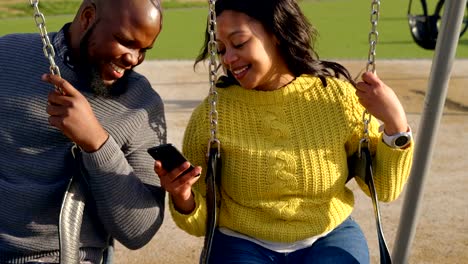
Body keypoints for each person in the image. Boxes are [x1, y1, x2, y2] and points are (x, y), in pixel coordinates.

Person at [155, 0, 414, 263]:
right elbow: (199, 225)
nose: (228, 59)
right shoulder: (213, 114)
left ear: (276, 33)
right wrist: (183, 196)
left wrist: (395, 124)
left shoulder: (336, 100)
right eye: (221, 49)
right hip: (241, 241)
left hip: (328, 236)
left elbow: (385, 189)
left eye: (240, 43)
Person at [0, 0, 167, 263]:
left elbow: (139, 231)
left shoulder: (140, 104)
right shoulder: (8, 56)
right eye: (125, 41)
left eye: (143, 49)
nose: (133, 59)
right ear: (88, 17)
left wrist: (97, 142)